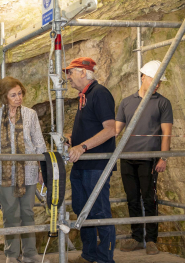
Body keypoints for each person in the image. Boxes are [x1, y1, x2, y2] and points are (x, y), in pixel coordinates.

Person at [0, 76, 48, 263]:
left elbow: (39, 143)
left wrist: (42, 170)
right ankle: (11, 255)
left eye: (20, 93)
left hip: (29, 170)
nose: (18, 98)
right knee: (10, 214)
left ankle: (30, 254)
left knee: (28, 213)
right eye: (13, 95)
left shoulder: (30, 114)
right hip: (5, 172)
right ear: (4, 97)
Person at [116, 60, 173, 255]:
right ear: (143, 78)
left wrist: (163, 158)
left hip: (149, 158)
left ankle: (151, 240)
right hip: (127, 158)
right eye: (154, 80)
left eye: (159, 81)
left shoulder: (163, 103)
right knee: (132, 199)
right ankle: (137, 237)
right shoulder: (126, 102)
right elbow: (115, 130)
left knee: (149, 199)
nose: (157, 84)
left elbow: (167, 133)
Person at [65, 57, 116, 263]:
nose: (67, 77)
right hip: (82, 164)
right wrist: (72, 140)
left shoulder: (100, 93)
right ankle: (89, 254)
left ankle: (104, 258)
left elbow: (111, 129)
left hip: (95, 164)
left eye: (70, 72)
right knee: (81, 208)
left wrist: (83, 146)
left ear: (83, 73)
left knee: (99, 211)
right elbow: (91, 127)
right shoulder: (84, 96)